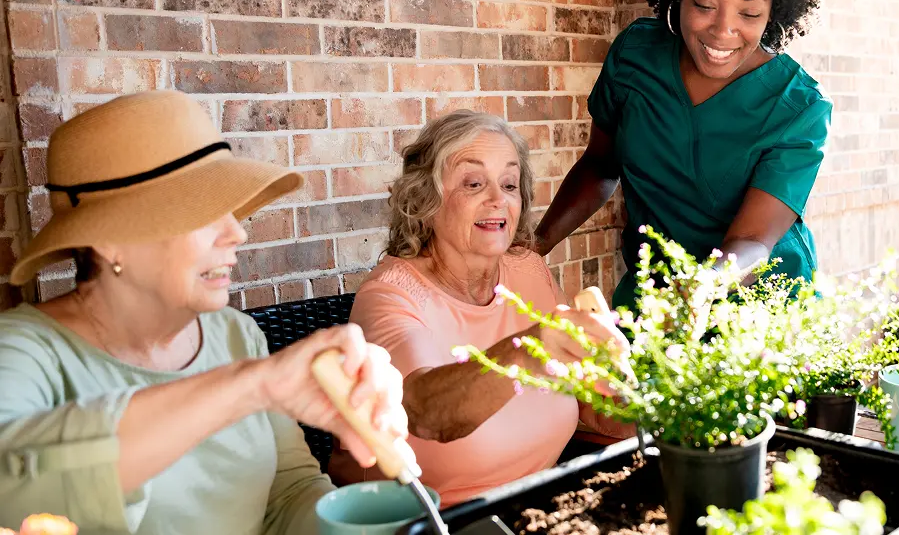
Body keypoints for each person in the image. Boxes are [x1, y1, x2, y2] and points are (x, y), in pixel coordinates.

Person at [0, 91, 408, 533]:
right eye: (202, 211)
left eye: (230, 210)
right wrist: (251, 385)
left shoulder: (235, 335)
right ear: (108, 239)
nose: (237, 232)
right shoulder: (22, 352)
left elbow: (287, 493)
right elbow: (11, 488)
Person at [328, 110, 632, 506]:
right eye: (473, 183)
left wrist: (665, 404)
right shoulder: (390, 295)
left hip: (537, 508)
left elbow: (590, 402)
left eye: (509, 184)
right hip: (423, 523)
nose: (497, 199)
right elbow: (426, 412)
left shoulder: (526, 270)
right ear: (426, 201)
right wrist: (529, 349)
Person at [532, 0, 832, 310]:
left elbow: (754, 239)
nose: (723, 30)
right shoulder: (635, 57)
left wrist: (704, 285)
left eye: (750, 13)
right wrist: (535, 245)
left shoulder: (798, 107)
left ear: (776, 11)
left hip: (758, 310)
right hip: (654, 296)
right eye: (704, 4)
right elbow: (600, 165)